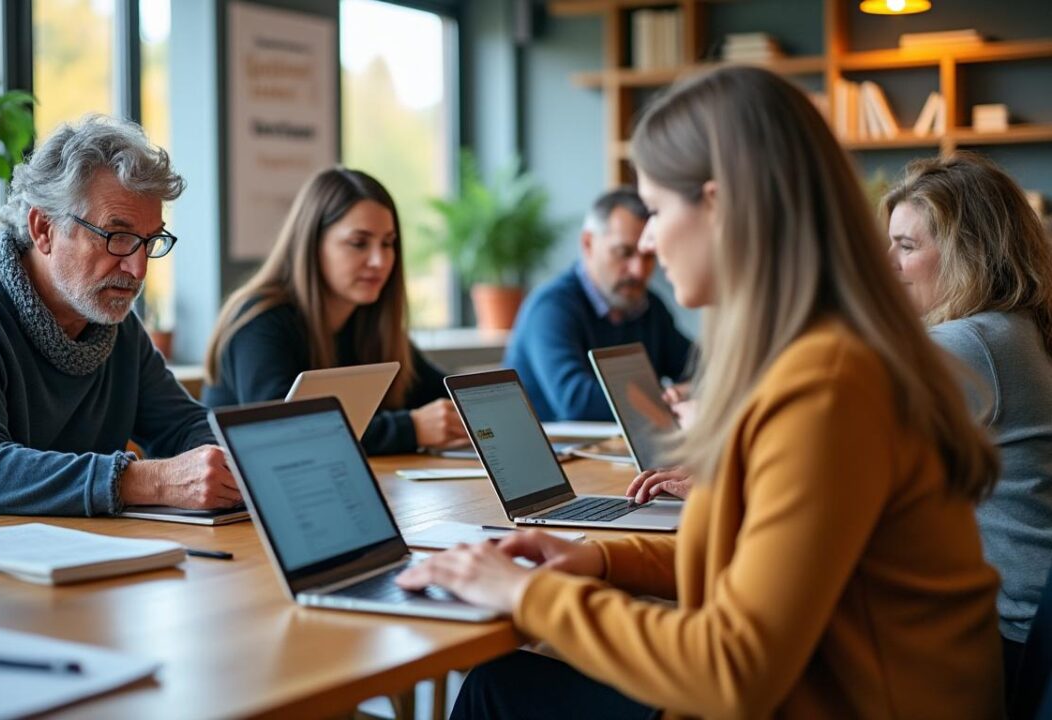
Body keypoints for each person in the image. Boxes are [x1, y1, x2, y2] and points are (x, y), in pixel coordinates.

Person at [397, 66, 1004, 719]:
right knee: (509, 684)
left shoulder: (827, 385)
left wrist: (524, 595)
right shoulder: (822, 358)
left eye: (656, 210)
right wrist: (597, 558)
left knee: (498, 690)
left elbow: (733, 670)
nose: (650, 241)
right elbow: (754, 561)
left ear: (718, 206)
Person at [0, 115, 240, 528]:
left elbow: (186, 426)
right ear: (43, 228)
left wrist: (218, 467)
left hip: (64, 557)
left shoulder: (115, 328)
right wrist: (147, 480)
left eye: (149, 241)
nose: (138, 268)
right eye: (116, 236)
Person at [883, 152, 1052, 701]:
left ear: (967, 255)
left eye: (906, 247)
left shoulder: (969, 342)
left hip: (1007, 639)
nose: (887, 263)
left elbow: (842, 452)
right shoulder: (1017, 329)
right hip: (1031, 625)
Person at [202, 167, 466, 455]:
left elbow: (441, 390)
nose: (379, 261)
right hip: (246, 496)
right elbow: (284, 434)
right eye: (358, 243)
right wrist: (411, 428)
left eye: (388, 243)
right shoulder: (259, 321)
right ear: (312, 244)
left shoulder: (367, 319)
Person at [504, 187, 693, 422]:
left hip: (619, 451)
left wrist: (690, 390)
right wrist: (665, 398)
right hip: (555, 455)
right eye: (624, 252)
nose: (638, 270)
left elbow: (701, 369)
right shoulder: (551, 308)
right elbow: (576, 402)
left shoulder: (649, 306)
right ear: (588, 244)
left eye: (648, 256)